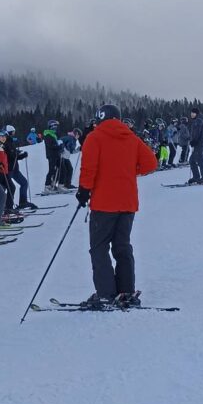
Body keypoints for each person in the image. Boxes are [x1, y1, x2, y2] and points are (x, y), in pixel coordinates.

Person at [76, 105, 157, 305]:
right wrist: (129, 170)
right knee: (122, 246)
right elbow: (151, 164)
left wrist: (83, 191)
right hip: (127, 203)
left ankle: (106, 293)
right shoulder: (131, 138)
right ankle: (126, 290)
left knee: (99, 248)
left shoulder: (94, 138)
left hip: (103, 203)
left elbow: (89, 168)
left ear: (100, 118)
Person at [2, 125, 34, 209]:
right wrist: (18, 154)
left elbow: (14, 155)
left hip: (14, 168)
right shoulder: (5, 143)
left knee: (24, 183)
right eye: (12, 132)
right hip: (8, 169)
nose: (13, 133)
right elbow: (10, 156)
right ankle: (5, 206)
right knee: (8, 188)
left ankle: (23, 202)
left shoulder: (10, 142)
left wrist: (20, 155)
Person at [188, 108, 203, 184]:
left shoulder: (198, 121)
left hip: (199, 144)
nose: (191, 114)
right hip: (199, 143)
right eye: (191, 113)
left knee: (199, 160)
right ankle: (196, 177)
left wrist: (194, 141)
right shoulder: (197, 121)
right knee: (192, 160)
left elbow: (197, 133)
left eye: (193, 113)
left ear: (196, 114)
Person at [43, 119, 64, 193]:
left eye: (56, 126)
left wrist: (60, 147)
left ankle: (57, 185)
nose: (56, 127)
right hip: (51, 155)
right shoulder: (48, 134)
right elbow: (51, 145)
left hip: (56, 154)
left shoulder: (53, 134)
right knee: (52, 170)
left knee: (61, 169)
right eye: (54, 126)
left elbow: (56, 144)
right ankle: (47, 186)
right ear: (51, 126)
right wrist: (59, 146)